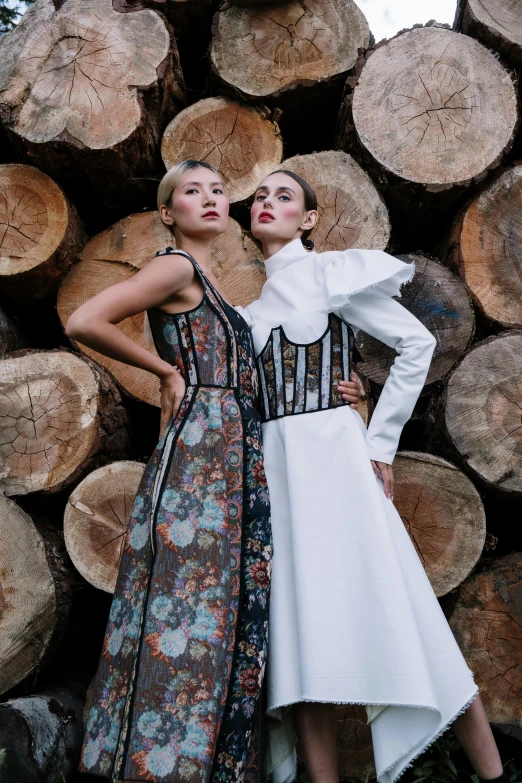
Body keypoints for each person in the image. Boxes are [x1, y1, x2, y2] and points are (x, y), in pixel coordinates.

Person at [69, 159, 363, 783]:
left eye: (215, 190)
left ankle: (200, 764)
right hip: (203, 464)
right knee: (187, 608)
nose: (207, 199)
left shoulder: (210, 279)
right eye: (189, 192)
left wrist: (348, 391)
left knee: (215, 609)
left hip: (226, 461)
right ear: (168, 212)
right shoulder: (174, 266)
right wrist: (166, 371)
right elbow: (83, 320)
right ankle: (163, 766)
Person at [236, 169, 507, 783]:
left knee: (401, 602)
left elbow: (415, 343)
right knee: (300, 635)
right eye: (259, 197)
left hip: (337, 460)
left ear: (308, 219)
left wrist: (379, 443)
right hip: (277, 476)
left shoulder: (330, 274)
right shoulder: (247, 315)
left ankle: (495, 776)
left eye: (284, 196)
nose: (267, 204)